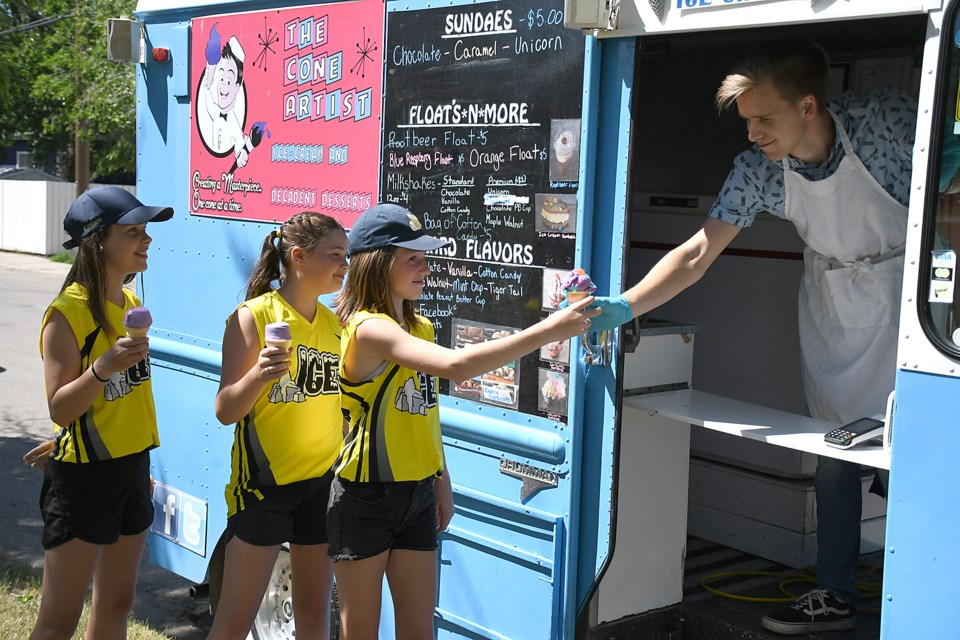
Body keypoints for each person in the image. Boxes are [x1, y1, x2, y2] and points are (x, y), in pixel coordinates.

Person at [589, 42, 916, 635]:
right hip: (835, 306)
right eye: (747, 122)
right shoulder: (758, 170)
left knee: (916, 453)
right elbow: (697, 253)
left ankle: (919, 593)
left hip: (914, 303)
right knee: (833, 451)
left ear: (809, 106)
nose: (753, 134)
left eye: (764, 119)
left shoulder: (887, 125)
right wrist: (625, 306)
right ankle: (836, 591)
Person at [329, 203, 600, 639]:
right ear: (379, 263)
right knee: (360, 631)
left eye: (425, 257)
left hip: (417, 493)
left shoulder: (420, 327)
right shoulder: (367, 328)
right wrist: (552, 329)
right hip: (364, 498)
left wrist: (441, 480)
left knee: (419, 631)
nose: (426, 267)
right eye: (412, 258)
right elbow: (457, 367)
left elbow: (426, 415)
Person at [29, 186, 173, 640]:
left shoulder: (131, 306)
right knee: (60, 620)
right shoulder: (66, 313)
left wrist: (136, 461)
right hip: (85, 480)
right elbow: (61, 406)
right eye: (132, 232)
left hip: (131, 468)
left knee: (118, 604)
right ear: (96, 241)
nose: (145, 240)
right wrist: (104, 366)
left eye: (145, 230)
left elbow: (119, 401)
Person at [208, 212, 348, 639]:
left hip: (320, 486)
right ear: (299, 257)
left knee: (313, 616)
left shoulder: (335, 324)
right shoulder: (253, 317)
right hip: (263, 489)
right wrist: (258, 376)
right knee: (234, 620)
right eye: (336, 255)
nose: (346, 265)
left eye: (348, 255)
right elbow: (225, 410)